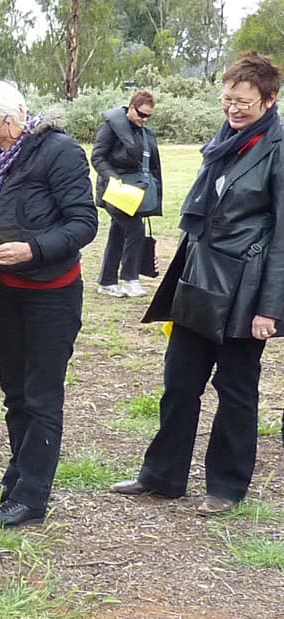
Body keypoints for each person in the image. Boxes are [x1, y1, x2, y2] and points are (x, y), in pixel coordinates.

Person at [113, 52, 284, 515]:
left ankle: (226, 486)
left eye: (244, 102)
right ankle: (162, 476)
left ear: (269, 100)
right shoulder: (225, 140)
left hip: (245, 290)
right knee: (179, 380)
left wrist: (270, 308)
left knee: (236, 389)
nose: (233, 108)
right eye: (228, 99)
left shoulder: (277, 147)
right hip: (199, 278)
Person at [0, 81, 97, 528]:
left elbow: (84, 223)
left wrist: (32, 249)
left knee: (42, 397)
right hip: (9, 288)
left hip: (52, 293)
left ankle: (33, 497)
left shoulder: (61, 152)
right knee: (15, 392)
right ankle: (16, 478)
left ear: (19, 112)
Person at [93, 90, 163, 298]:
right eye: (141, 114)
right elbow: (97, 157)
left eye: (148, 116)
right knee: (135, 230)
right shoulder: (110, 127)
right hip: (116, 190)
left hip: (134, 191)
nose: (144, 119)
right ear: (131, 107)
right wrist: (113, 178)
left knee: (118, 232)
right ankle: (131, 279)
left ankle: (107, 282)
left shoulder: (143, 132)